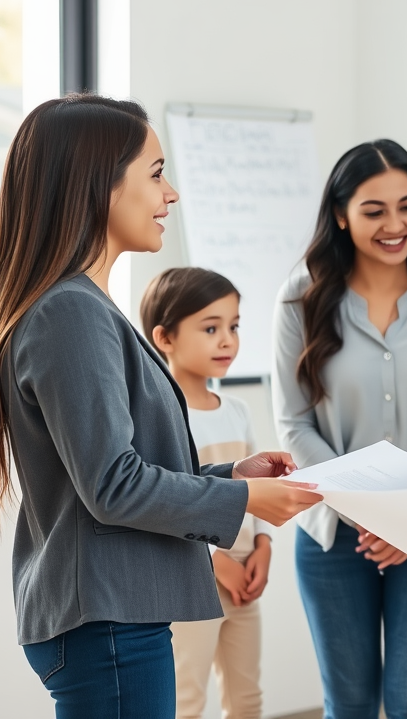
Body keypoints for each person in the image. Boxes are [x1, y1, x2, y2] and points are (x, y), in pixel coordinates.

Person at [0, 95, 322, 718]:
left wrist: (232, 476)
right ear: (99, 187)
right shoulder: (70, 312)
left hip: (111, 613)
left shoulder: (80, 306)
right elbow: (113, 488)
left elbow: (115, 471)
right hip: (107, 618)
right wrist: (246, 503)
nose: (170, 193)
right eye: (154, 173)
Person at [271, 140, 407, 719]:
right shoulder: (299, 300)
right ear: (341, 215)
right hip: (332, 533)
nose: (395, 225)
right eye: (374, 211)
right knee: (350, 704)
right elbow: (293, 423)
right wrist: (364, 506)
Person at [141, 267, 272, 719]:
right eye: (211, 328)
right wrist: (216, 563)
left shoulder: (236, 410)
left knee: (247, 697)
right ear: (165, 337)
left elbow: (257, 491)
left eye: (233, 327)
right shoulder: (163, 414)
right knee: (186, 698)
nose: (227, 341)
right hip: (192, 579)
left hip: (243, 580)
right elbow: (168, 501)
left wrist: (263, 546)